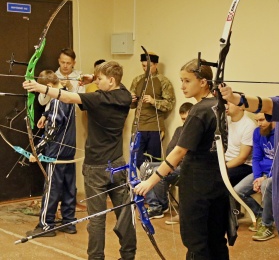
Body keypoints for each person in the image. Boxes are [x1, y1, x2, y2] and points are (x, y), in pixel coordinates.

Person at [23, 61, 136, 260]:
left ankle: (96, 257)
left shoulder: (98, 98)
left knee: (96, 219)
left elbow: (67, 97)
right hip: (118, 165)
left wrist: (40, 87)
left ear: (111, 80)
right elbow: (120, 86)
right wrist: (94, 78)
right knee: (124, 214)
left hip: (96, 168)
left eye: (99, 79)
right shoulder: (125, 96)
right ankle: (128, 255)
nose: (96, 82)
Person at [135, 59, 230, 259]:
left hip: (198, 186)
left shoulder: (199, 111)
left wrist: (150, 181)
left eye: (187, 81)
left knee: (197, 244)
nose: (182, 86)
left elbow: (179, 152)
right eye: (181, 80)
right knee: (216, 240)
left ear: (203, 82)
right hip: (218, 183)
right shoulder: (218, 106)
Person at [219, 83, 279, 259]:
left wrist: (236, 99)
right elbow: (258, 158)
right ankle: (265, 219)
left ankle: (266, 222)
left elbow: (269, 104)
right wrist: (258, 177)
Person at [26, 70, 77, 237]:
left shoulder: (57, 99)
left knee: (52, 189)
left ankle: (46, 225)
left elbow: (52, 131)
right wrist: (46, 115)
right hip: (69, 151)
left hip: (56, 153)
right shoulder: (69, 95)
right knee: (69, 188)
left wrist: (36, 150)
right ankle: (69, 222)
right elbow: (58, 117)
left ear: (48, 86)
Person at [140, 102, 193, 221]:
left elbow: (187, 154)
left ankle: (159, 206)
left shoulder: (195, 132)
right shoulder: (179, 130)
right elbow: (170, 149)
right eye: (182, 119)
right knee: (145, 166)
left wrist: (175, 161)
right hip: (174, 163)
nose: (185, 122)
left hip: (186, 167)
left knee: (158, 171)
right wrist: (172, 162)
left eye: (187, 119)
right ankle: (155, 205)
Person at [234, 113, 275, 240]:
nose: (259, 124)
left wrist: (266, 177)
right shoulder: (258, 132)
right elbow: (256, 158)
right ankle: (261, 214)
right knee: (238, 191)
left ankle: (267, 225)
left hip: (277, 172)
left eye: (262, 120)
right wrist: (257, 177)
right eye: (256, 120)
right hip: (262, 172)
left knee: (266, 184)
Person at [130, 52, 175, 168]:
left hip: (155, 127)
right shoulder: (137, 80)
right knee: (136, 160)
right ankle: (141, 184)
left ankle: (153, 185)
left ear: (156, 65)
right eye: (144, 66)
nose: (146, 69)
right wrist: (131, 99)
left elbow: (169, 104)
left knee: (154, 162)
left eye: (149, 66)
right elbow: (130, 105)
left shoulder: (163, 81)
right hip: (138, 126)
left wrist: (153, 101)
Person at [225, 102, 256, 186]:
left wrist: (222, 167)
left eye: (229, 103)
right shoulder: (226, 122)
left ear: (241, 107)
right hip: (228, 161)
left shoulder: (248, 125)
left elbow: (242, 158)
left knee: (218, 177)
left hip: (244, 165)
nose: (226, 105)